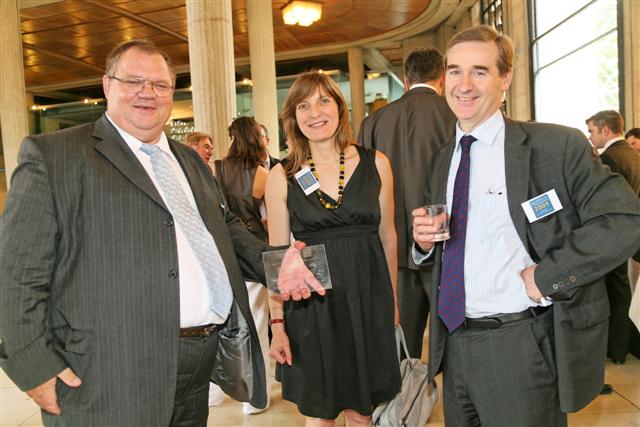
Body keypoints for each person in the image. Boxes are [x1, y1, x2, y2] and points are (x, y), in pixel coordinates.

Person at [0, 39, 319, 426]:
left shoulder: (191, 162)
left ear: (172, 92)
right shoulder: (55, 156)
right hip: (107, 374)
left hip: (197, 365)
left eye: (159, 85)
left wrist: (275, 264)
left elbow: (224, 230)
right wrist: (33, 367)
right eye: (133, 81)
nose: (147, 93)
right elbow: (15, 275)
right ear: (107, 85)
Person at [412, 25, 640, 426]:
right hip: (453, 346)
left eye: (479, 71)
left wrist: (548, 275)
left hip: (520, 346)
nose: (463, 85)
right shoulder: (443, 158)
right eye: (454, 71)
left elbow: (624, 220)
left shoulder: (554, 147)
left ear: (505, 78)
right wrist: (424, 243)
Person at [265, 71, 401, 426]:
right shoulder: (282, 176)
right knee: (320, 414)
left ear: (340, 108)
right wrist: (276, 323)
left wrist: (393, 302)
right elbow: (277, 256)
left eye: (324, 100)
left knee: (362, 411)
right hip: (313, 307)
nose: (315, 112)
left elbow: (388, 236)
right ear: (293, 118)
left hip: (367, 299)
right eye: (303, 105)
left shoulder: (377, 164)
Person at [358, 47, 456, 358]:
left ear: (405, 79)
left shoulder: (374, 122)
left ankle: (408, 405)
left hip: (392, 252)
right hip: (446, 247)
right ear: (442, 78)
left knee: (402, 345)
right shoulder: (455, 113)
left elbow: (363, 188)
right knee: (455, 343)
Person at [212, 116, 271, 414]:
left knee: (221, 321)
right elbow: (266, 219)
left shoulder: (217, 168)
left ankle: (215, 391)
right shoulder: (262, 174)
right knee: (258, 323)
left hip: (224, 254)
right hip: (254, 253)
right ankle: (254, 398)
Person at [586, 110, 640, 364]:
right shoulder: (632, 154)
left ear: (605, 130)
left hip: (611, 235)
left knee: (610, 292)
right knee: (622, 290)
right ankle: (622, 347)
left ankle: (614, 347)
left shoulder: (608, 158)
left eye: (592, 131)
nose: (590, 137)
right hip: (628, 233)